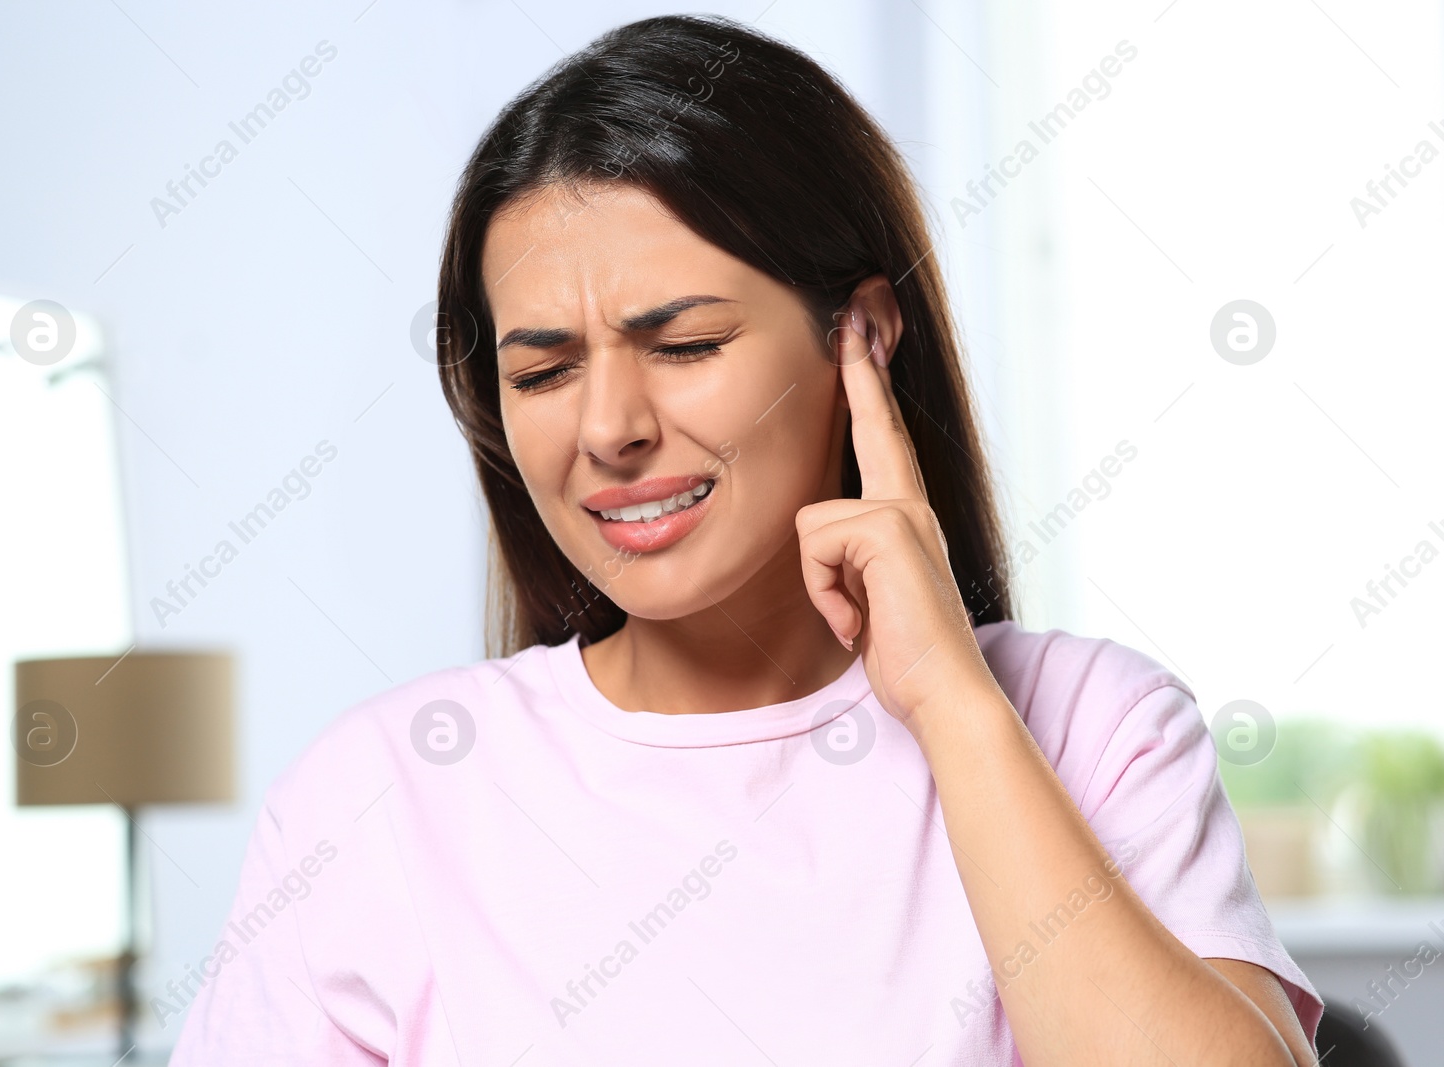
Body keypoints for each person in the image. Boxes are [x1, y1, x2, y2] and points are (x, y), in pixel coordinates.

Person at [169, 13, 1322, 1065]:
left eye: (684, 346)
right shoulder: (379, 798)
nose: (610, 429)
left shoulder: (1091, 724)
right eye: (544, 370)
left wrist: (951, 705)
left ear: (858, 336)